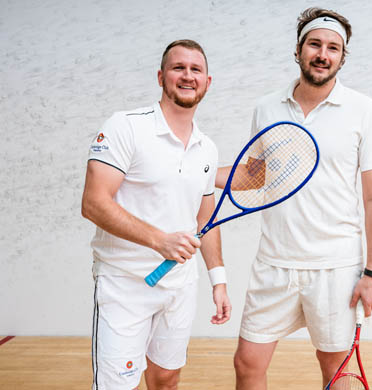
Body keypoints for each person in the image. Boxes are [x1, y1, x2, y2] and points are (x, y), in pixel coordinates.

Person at [215, 7, 372, 389]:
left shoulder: (363, 110)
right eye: (315, 44)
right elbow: (256, 174)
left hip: (335, 266)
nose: (322, 54)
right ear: (298, 50)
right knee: (247, 363)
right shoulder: (267, 107)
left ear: (342, 57)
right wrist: (193, 174)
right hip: (274, 262)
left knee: (334, 370)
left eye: (333, 47)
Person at [81, 39, 232, 390]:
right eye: (179, 68)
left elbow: (204, 220)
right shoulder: (125, 127)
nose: (188, 75)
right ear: (161, 76)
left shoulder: (206, 147)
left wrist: (219, 281)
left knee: (166, 378)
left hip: (180, 286)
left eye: (196, 70)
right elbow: (93, 203)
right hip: (124, 284)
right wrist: (158, 240)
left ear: (208, 82)